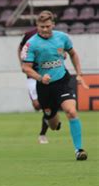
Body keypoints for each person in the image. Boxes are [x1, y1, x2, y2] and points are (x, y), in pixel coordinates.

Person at [21, 10, 89, 161]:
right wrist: (40, 77)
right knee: (52, 124)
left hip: (62, 81)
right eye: (41, 27)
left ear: (53, 25)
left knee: (71, 112)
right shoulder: (31, 44)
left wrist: (79, 73)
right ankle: (53, 120)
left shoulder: (62, 38)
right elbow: (25, 68)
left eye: (47, 26)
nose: (45, 30)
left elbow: (73, 54)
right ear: (37, 26)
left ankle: (79, 150)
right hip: (44, 87)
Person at [18, 28, 50, 144]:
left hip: (46, 74)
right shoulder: (29, 34)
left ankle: (42, 134)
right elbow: (20, 47)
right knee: (37, 105)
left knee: (47, 108)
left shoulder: (53, 35)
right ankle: (50, 115)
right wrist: (22, 63)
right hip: (32, 75)